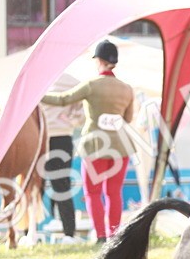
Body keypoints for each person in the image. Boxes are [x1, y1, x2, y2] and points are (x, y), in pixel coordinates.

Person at [41, 40, 135, 243]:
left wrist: (37, 96)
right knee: (114, 193)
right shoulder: (127, 89)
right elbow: (128, 119)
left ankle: (101, 235)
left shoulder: (92, 85)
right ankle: (114, 236)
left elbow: (63, 99)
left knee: (92, 193)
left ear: (99, 60)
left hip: (95, 145)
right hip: (121, 146)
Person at [40, 76, 85, 243]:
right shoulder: (72, 82)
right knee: (57, 186)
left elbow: (81, 113)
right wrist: (73, 120)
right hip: (52, 138)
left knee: (53, 186)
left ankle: (66, 233)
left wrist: (72, 120)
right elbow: (81, 113)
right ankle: (66, 233)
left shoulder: (68, 81)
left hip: (52, 138)